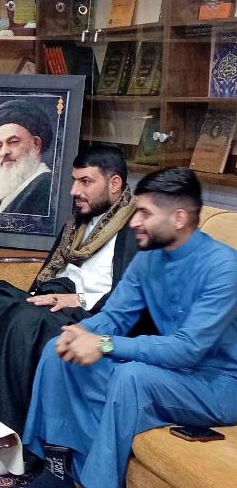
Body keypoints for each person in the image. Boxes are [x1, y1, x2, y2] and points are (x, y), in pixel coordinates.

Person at [22, 167, 237, 488]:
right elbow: (116, 316)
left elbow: (187, 349)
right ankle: (58, 470)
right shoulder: (149, 258)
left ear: (178, 218)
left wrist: (104, 344)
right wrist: (80, 334)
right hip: (169, 372)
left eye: (145, 213)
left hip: (218, 385)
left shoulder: (224, 268)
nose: (134, 221)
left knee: (131, 377)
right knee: (58, 352)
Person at [0, 145, 144, 476]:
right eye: (74, 181)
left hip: (92, 314)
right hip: (54, 298)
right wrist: (45, 296)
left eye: (86, 182)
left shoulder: (136, 229)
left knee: (27, 322)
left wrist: (77, 300)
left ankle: (8, 449)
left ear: (115, 183)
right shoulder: (80, 221)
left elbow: (130, 298)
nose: (75, 191)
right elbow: (51, 273)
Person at [0, 99, 54, 215]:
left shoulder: (48, 190)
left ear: (36, 144)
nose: (4, 152)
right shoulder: (5, 199)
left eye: (13, 142)